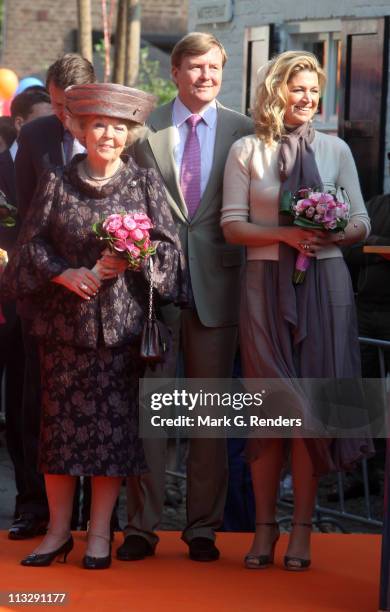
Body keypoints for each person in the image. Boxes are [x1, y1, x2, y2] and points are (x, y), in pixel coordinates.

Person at [0, 82, 186, 569]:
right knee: (59, 435)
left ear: (129, 134)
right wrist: (63, 272)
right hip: (63, 333)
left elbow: (170, 255)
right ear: (80, 129)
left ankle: (100, 533)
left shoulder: (144, 184)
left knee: (112, 436)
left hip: (120, 334)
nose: (108, 133)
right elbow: (28, 248)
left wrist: (134, 256)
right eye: (98, 124)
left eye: (119, 126)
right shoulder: (57, 181)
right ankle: (59, 532)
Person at [221, 50, 372, 571]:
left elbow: (361, 222)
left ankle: (303, 531)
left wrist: (334, 231)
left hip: (326, 285)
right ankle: (265, 530)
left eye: (313, 90)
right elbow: (232, 226)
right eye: (297, 88)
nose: (306, 98)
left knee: (312, 411)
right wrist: (287, 233)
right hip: (264, 284)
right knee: (270, 409)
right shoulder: (247, 150)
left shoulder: (337, 150)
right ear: (275, 90)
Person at [123, 31, 252, 563]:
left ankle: (202, 527)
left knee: (208, 416)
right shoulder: (144, 130)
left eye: (214, 68)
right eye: (196, 67)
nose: (206, 76)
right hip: (154, 291)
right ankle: (141, 528)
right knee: (151, 412)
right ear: (175, 71)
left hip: (219, 288)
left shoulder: (245, 130)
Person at [9, 53, 96, 541]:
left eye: (72, 107)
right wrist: (55, 273)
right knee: (35, 404)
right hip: (44, 293)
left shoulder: (114, 128)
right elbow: (26, 221)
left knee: (93, 406)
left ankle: (89, 515)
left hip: (98, 294)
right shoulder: (34, 136)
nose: (65, 118)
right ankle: (33, 506)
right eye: (59, 107)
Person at [0, 88, 52, 532]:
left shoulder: (63, 159)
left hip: (48, 297)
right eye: (43, 116)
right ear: (22, 124)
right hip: (7, 304)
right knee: (18, 406)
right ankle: (27, 500)